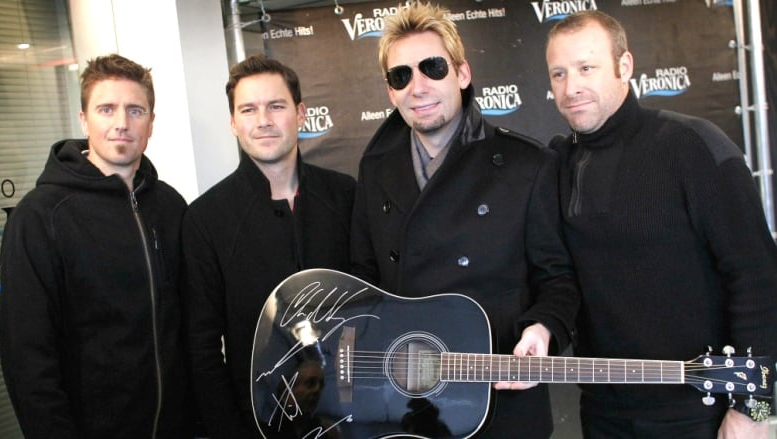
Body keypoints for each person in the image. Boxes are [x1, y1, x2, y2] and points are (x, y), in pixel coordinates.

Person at [350, 2, 580, 438]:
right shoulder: (374, 168)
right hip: (405, 403)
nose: (417, 87)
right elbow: (363, 276)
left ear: (462, 74)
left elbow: (558, 279)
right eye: (401, 75)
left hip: (499, 403)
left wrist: (544, 327)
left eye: (432, 67)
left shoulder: (525, 165)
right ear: (390, 92)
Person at [545, 10, 777, 439]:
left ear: (625, 66)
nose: (571, 87)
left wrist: (754, 409)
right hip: (604, 413)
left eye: (586, 68)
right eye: (558, 73)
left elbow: (759, 278)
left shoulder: (693, 146)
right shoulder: (558, 165)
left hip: (701, 410)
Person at [0, 54, 192, 438]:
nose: (122, 123)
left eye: (135, 110)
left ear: (151, 122)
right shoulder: (40, 216)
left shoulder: (171, 207)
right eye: (107, 109)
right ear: (85, 119)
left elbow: (185, 326)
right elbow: (27, 357)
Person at [182, 54, 355, 438]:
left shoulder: (347, 196)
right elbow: (202, 347)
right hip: (256, 423)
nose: (263, 120)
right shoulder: (205, 219)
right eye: (248, 109)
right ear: (233, 122)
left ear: (301, 113)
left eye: (276, 106)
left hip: (355, 418)